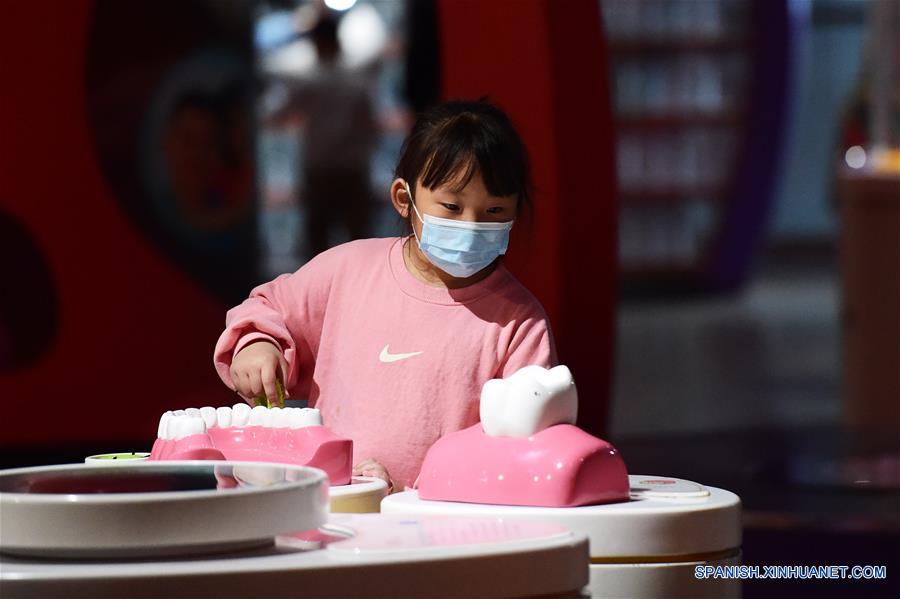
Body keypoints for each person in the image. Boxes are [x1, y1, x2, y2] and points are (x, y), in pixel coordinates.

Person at [214, 100, 557, 491]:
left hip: (449, 527)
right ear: (403, 199)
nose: (472, 224)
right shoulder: (347, 270)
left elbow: (524, 445)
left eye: (494, 210)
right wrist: (256, 343)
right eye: (452, 206)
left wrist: (412, 492)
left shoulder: (520, 322)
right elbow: (267, 306)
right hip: (332, 515)